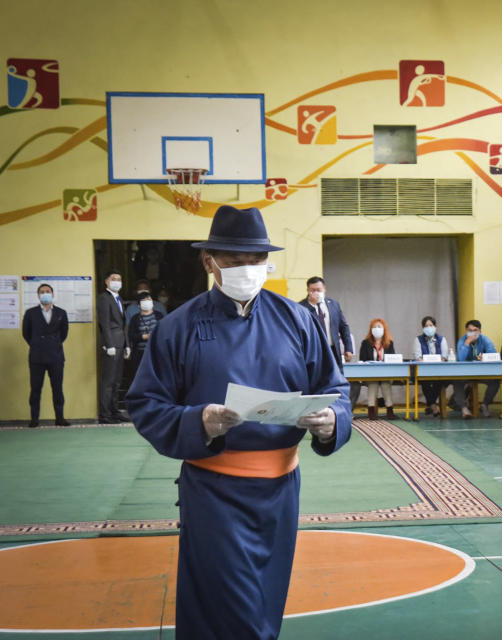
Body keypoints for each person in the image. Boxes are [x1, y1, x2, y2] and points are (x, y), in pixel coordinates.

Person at [126, 205, 351, 640]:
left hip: (281, 492)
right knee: (232, 609)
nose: (247, 269)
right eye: (234, 260)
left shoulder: (297, 319)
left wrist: (332, 421)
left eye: (255, 260)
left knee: (268, 599)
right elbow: (146, 403)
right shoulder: (179, 327)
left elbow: (335, 388)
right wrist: (200, 421)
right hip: (214, 492)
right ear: (210, 261)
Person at [21, 283, 70, 427]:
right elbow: (26, 334)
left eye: (48, 291)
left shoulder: (61, 312)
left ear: (53, 294)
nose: (45, 294)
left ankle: (59, 418)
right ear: (38, 295)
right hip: (37, 356)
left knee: (57, 388)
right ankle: (34, 419)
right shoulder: (31, 313)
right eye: (42, 292)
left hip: (56, 355)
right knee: (35, 388)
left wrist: (53, 343)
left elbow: (64, 333)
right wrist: (37, 344)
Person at [298, 276, 353, 371]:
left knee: (336, 378)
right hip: (313, 352)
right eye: (312, 290)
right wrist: (312, 305)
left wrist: (348, 348)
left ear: (324, 289)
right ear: (307, 290)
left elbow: (343, 327)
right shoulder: (301, 307)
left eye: (319, 290)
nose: (316, 293)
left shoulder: (333, 304)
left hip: (333, 350)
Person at [96, 268, 129, 423]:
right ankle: (105, 414)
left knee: (116, 381)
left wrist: (127, 344)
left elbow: (123, 324)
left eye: (119, 279)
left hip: (120, 343)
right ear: (107, 281)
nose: (117, 282)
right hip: (111, 345)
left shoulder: (119, 298)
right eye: (114, 278)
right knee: (108, 381)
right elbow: (105, 323)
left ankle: (115, 411)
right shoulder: (104, 298)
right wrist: (108, 344)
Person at [452, 320, 500, 418]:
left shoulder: (485, 340)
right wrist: (467, 342)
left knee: (495, 381)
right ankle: (464, 408)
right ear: (466, 331)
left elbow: (493, 356)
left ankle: (485, 404)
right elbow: (461, 359)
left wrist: (485, 357)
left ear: (480, 331)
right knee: (457, 381)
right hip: (465, 373)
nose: (472, 333)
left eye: (475, 330)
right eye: (470, 330)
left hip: (483, 373)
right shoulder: (462, 341)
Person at [358, 318, 397, 419]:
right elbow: (362, 359)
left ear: (384, 329)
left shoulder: (389, 343)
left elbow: (393, 359)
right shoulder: (365, 343)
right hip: (371, 373)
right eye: (374, 327)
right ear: (371, 330)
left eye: (379, 327)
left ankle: (389, 409)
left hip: (386, 373)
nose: (376, 329)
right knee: (373, 383)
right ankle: (371, 410)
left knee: (385, 383)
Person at [413, 315, 450, 417]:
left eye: (431, 325)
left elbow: (444, 356)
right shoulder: (418, 339)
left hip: (439, 370)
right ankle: (433, 405)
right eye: (426, 326)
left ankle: (431, 405)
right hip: (424, 370)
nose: (429, 328)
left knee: (440, 380)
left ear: (435, 327)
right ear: (423, 328)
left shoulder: (442, 339)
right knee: (425, 381)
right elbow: (418, 357)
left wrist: (438, 361)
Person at [126, 291, 163, 375]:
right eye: (144, 300)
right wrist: (144, 337)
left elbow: (165, 332)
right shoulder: (135, 319)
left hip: (156, 353)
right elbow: (131, 335)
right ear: (139, 305)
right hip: (140, 354)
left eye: (149, 299)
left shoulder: (159, 316)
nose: (147, 302)